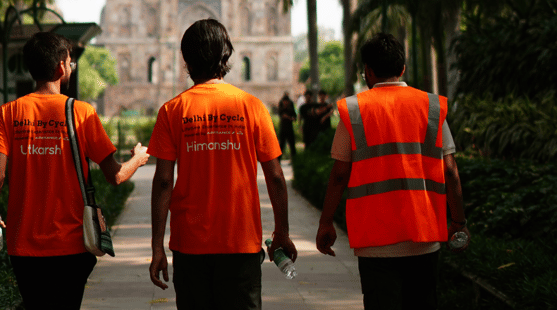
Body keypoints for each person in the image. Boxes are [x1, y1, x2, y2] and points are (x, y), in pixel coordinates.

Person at [0, 31, 150, 310]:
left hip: (24, 244)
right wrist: (138, 159)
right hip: (70, 245)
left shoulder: (8, 113)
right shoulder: (82, 113)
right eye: (70, 63)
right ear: (60, 68)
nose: (71, 67)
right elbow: (115, 175)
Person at [148, 19, 296, 310]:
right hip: (240, 241)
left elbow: (164, 181)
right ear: (226, 56)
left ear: (186, 60)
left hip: (190, 245)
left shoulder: (172, 110)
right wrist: (282, 232)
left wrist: (156, 247)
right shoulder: (252, 106)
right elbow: (275, 176)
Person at [315, 33, 469, 310]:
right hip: (424, 238)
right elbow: (451, 170)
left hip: (375, 242)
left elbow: (339, 174)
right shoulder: (431, 106)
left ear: (368, 72)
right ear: (402, 69)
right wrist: (458, 222)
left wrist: (326, 223)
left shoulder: (354, 110)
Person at [277, 92, 297, 157]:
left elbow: (294, 117)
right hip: (283, 128)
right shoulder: (281, 107)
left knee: (292, 145)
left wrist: (289, 117)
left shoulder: (290, 107)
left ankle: (294, 160)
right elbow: (281, 114)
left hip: (289, 128)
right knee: (281, 146)